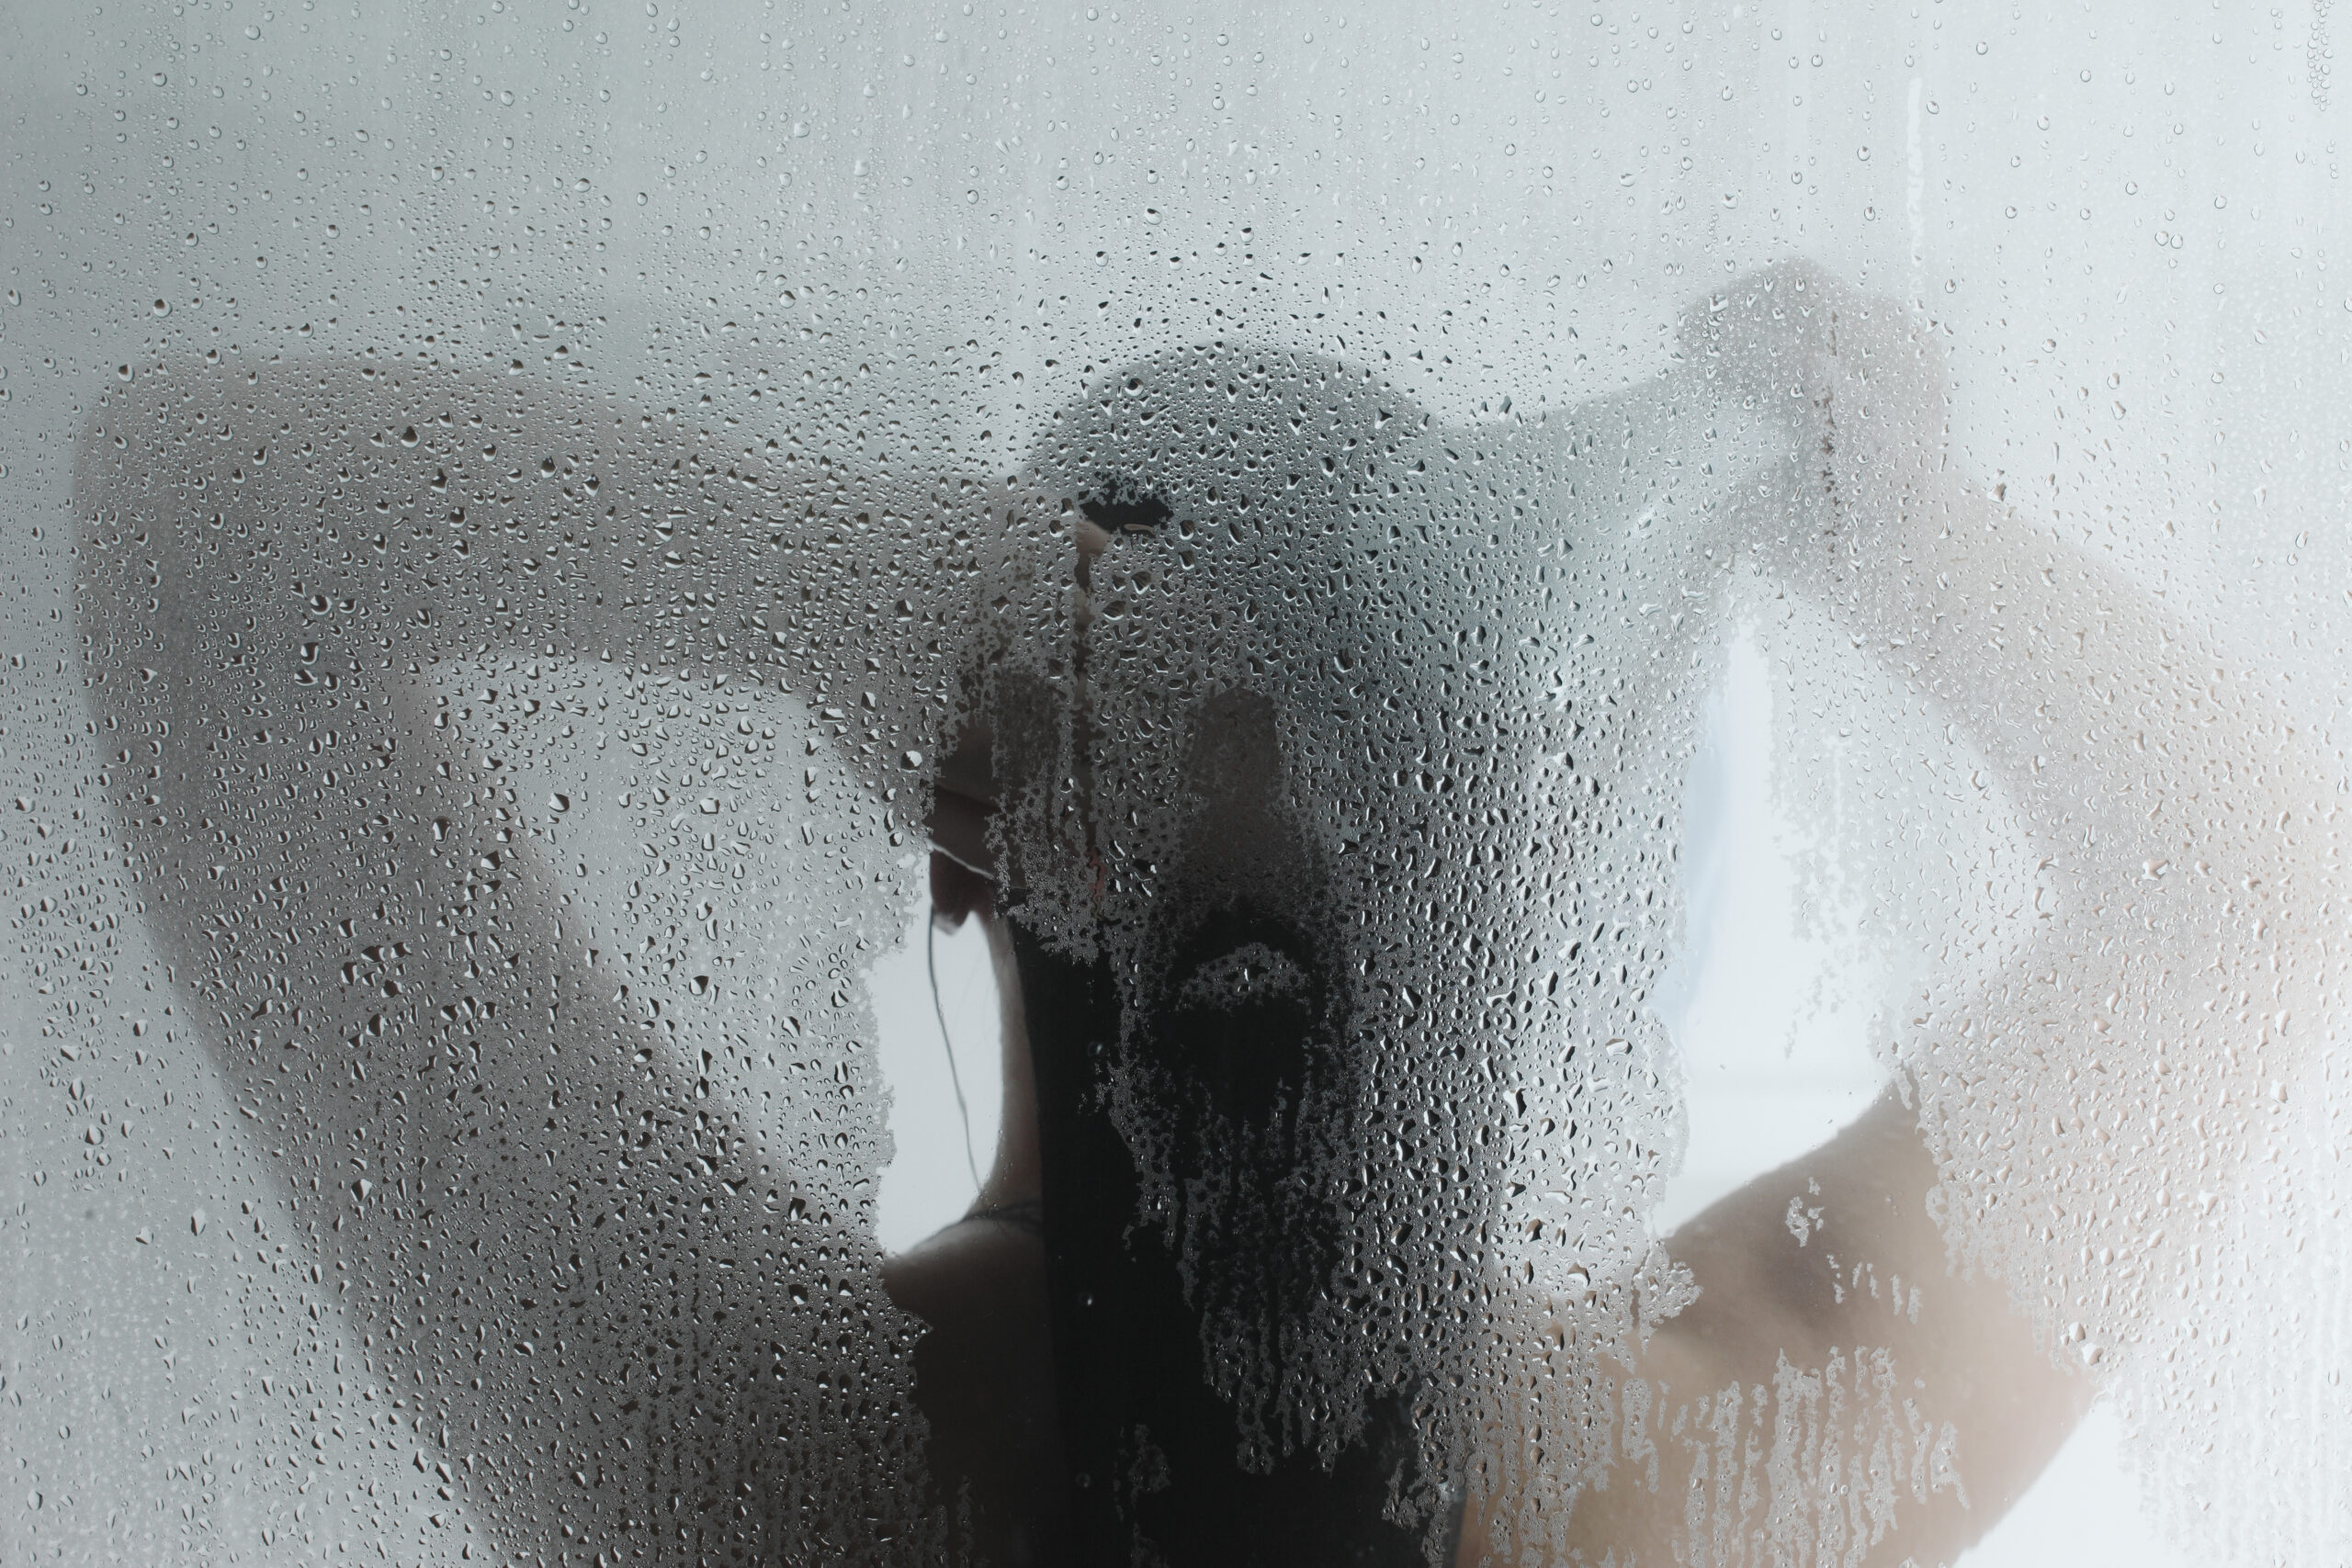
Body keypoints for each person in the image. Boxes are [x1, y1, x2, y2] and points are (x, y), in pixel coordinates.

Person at [75, 260, 2327, 1564]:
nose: (1237, 804)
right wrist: (1870, 520)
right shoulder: (1681, 1499)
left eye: (1347, 716)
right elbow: (2231, 903)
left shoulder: (752, 1470)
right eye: (1138, 733)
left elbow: (2244, 901)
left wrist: (887, 601)